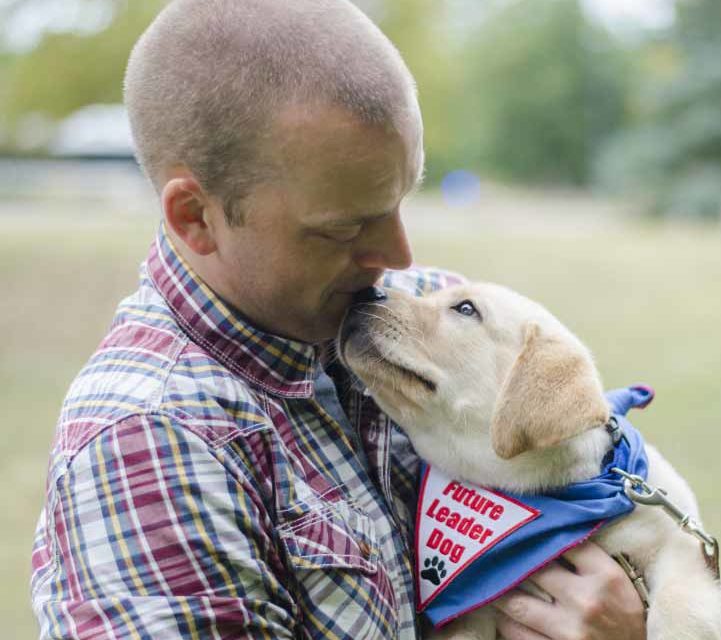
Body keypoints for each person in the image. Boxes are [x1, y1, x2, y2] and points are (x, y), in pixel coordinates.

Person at [29, 1, 647, 638]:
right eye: (343, 227)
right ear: (196, 217)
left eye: (399, 201)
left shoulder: (401, 310)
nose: (400, 260)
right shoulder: (151, 446)